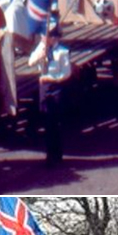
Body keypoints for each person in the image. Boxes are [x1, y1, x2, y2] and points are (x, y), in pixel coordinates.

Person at [28, 26, 72, 166]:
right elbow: (30, 62)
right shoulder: (42, 48)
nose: (42, 38)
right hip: (44, 87)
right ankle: (49, 156)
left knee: (55, 123)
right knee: (46, 122)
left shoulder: (62, 52)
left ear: (54, 38)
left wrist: (51, 79)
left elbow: (66, 73)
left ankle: (57, 156)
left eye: (45, 36)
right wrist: (39, 55)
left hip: (56, 87)